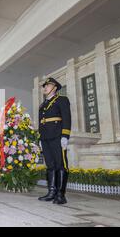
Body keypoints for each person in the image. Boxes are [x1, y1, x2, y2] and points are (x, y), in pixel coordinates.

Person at [38, 77, 71, 205]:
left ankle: (61, 195)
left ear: (55, 87)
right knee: (50, 165)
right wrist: (40, 138)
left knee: (61, 164)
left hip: (57, 136)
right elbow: (42, 122)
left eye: (48, 85)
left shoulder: (62, 100)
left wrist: (65, 135)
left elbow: (67, 118)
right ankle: (51, 192)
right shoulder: (43, 105)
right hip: (45, 137)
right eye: (44, 85)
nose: (45, 87)